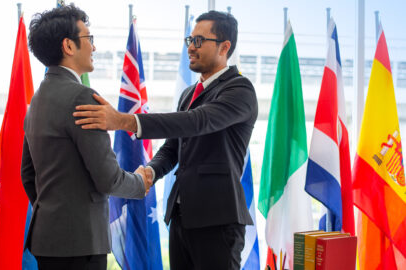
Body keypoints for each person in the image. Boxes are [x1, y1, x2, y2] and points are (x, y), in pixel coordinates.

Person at [74, 10, 258, 270]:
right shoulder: (188, 94)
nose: (190, 48)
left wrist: (124, 121)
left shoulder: (239, 90)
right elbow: (173, 147)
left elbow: (197, 122)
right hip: (182, 218)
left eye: (199, 41)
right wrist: (151, 171)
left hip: (218, 221)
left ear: (224, 47)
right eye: (189, 40)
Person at [21, 4, 152, 270]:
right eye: (88, 39)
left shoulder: (37, 99)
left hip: (48, 240)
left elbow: (27, 173)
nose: (93, 47)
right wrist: (141, 181)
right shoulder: (81, 98)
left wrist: (54, 210)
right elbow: (108, 179)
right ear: (68, 46)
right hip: (80, 243)